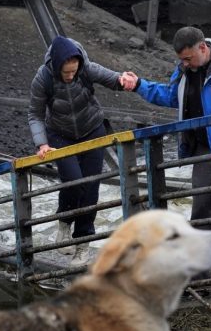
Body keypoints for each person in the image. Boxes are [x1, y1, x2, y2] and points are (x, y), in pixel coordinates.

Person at [122, 26, 211, 249]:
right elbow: (171, 95)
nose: (185, 63)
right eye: (182, 59)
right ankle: (201, 273)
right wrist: (139, 85)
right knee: (201, 212)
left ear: (203, 48)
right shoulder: (184, 70)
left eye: (188, 58)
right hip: (202, 150)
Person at [28, 36, 135, 266]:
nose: (70, 76)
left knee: (91, 187)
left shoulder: (85, 68)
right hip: (59, 134)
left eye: (73, 72)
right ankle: (64, 221)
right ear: (56, 67)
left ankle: (82, 244)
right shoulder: (43, 78)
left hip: (92, 129)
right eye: (66, 73)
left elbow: (112, 78)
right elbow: (35, 114)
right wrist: (42, 144)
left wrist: (123, 79)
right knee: (73, 181)